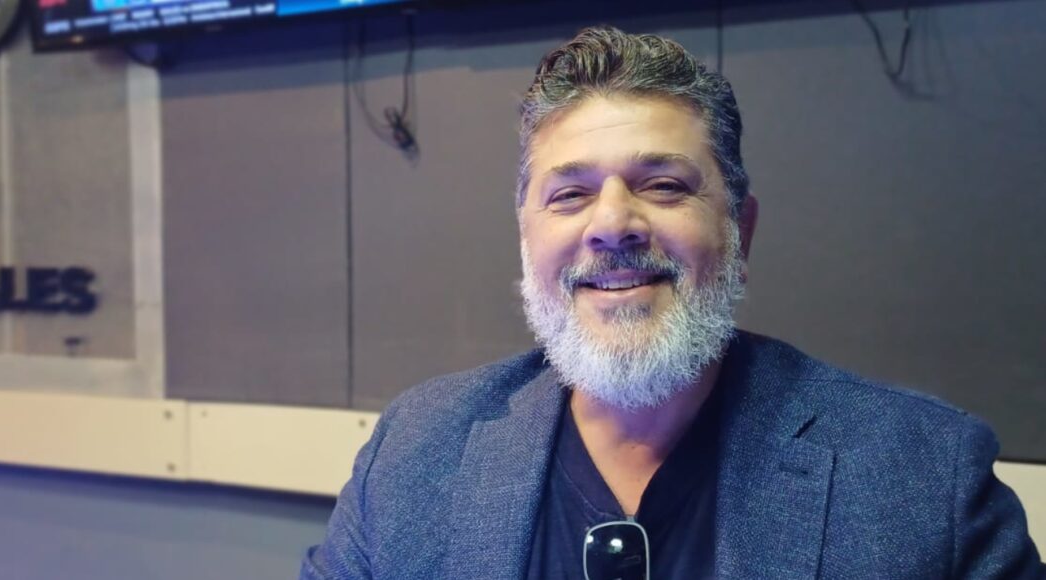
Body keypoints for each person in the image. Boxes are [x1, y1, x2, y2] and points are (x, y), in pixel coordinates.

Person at [301, 26, 1043, 579]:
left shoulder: (927, 480)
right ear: (527, 240)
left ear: (739, 230)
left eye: (662, 185)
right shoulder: (412, 456)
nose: (612, 224)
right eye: (570, 194)